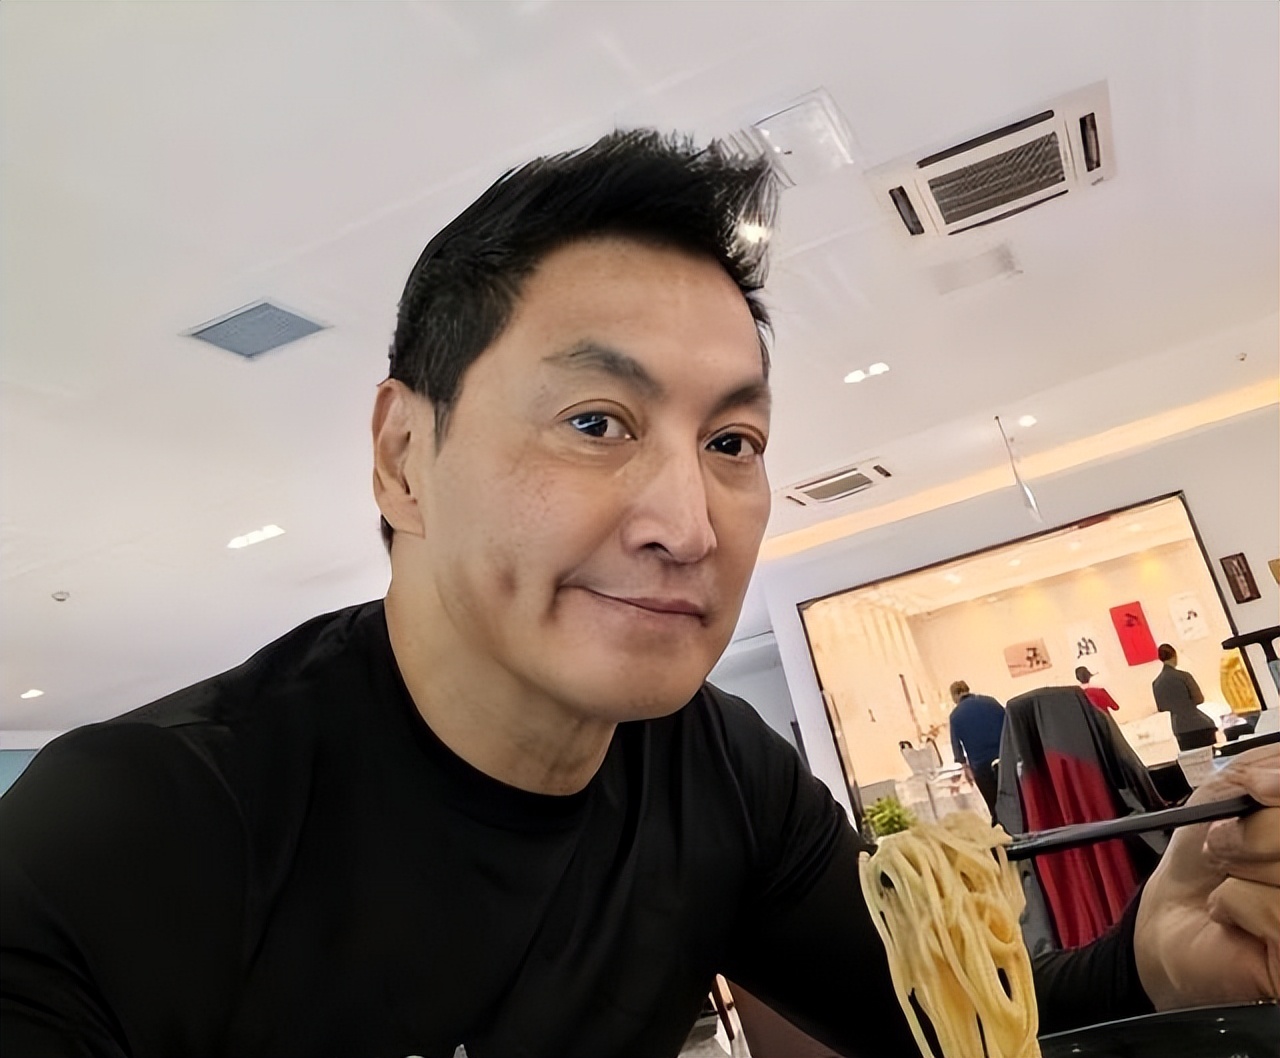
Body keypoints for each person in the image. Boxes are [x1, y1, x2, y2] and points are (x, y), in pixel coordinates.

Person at [1, 131, 1277, 1058]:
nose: (687, 523)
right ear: (402, 457)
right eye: (595, 420)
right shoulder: (137, 830)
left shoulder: (718, 768)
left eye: (731, 442)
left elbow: (950, 1022)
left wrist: (1156, 954)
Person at [947, 679, 1006, 817]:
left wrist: (965, 766)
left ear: (955, 695)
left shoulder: (955, 716)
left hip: (980, 766)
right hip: (1004, 756)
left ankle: (1000, 822)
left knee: (994, 804)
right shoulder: (990, 702)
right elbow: (1008, 723)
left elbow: (956, 747)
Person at [1152, 643, 1217, 751]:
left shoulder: (1156, 683)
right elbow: (1199, 699)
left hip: (1179, 728)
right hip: (1199, 724)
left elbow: (1161, 708)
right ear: (1174, 655)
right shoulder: (1184, 676)